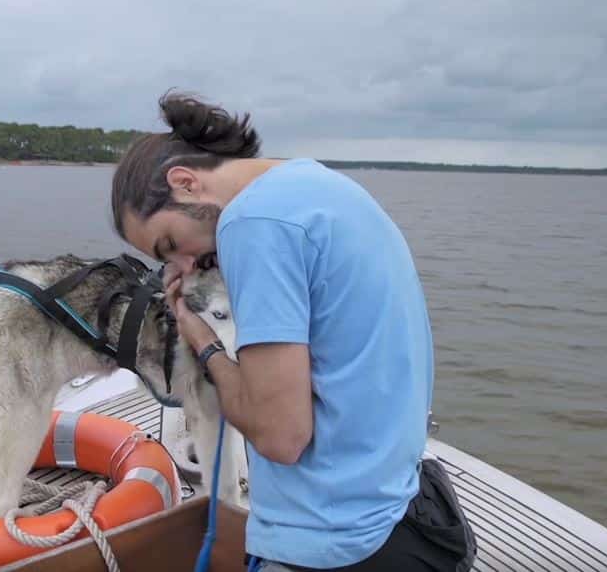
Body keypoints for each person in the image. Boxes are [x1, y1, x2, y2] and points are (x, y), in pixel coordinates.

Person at [109, 92, 476, 571]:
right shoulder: (321, 185)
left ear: (185, 182)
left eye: (170, 245)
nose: (184, 266)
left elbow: (281, 436)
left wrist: (200, 338)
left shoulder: (253, 222)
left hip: (334, 538)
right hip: (400, 509)